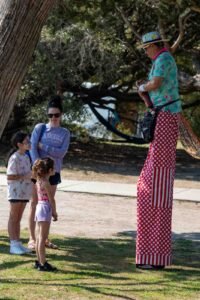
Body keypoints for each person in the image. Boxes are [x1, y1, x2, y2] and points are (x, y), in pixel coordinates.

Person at [136, 31, 182, 269]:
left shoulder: (163, 59)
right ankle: (149, 255)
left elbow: (156, 84)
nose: (145, 52)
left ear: (153, 46)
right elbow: (152, 93)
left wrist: (142, 87)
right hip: (160, 115)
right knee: (149, 186)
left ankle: (156, 257)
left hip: (166, 117)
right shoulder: (159, 61)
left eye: (146, 48)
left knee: (158, 185)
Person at [28, 95, 70, 250]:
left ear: (61, 115)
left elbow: (61, 153)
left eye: (56, 115)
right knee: (34, 203)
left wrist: (44, 147)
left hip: (53, 172)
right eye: (50, 115)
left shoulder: (65, 133)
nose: (53, 118)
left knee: (47, 204)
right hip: (37, 173)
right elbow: (33, 147)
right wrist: (38, 169)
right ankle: (32, 238)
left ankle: (43, 238)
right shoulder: (40, 128)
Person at [7, 132, 32, 255]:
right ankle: (13, 244)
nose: (29, 143)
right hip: (16, 191)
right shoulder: (14, 157)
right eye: (27, 141)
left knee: (18, 218)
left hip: (25, 191)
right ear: (19, 144)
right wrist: (24, 176)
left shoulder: (26, 156)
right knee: (13, 217)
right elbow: (10, 176)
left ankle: (17, 243)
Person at [32, 157, 58, 271]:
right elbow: (51, 199)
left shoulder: (39, 181)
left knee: (38, 237)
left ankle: (38, 261)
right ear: (50, 170)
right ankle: (43, 263)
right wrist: (54, 212)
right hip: (45, 207)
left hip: (39, 207)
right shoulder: (46, 183)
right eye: (54, 168)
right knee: (43, 238)